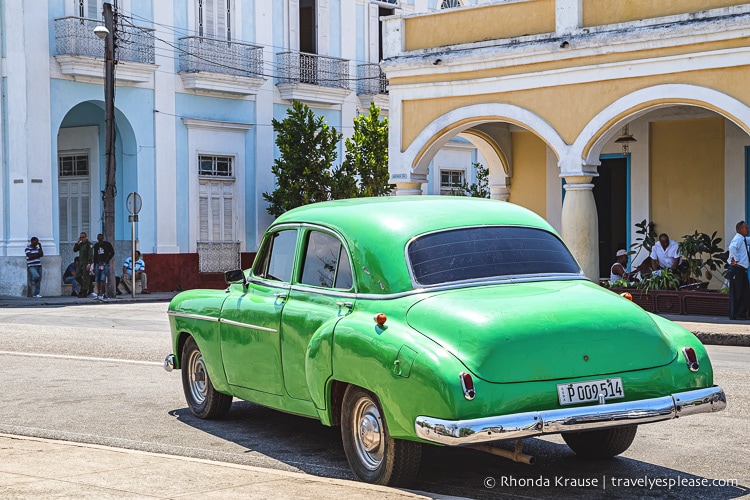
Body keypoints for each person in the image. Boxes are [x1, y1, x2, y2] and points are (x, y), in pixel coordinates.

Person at [727, 220, 750, 320]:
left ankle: (741, 313)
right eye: (746, 228)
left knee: (744, 292)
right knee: (737, 293)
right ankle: (735, 314)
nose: (748, 230)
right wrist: (736, 259)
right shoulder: (738, 239)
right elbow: (732, 248)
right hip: (737, 269)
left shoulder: (743, 239)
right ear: (740, 229)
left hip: (742, 270)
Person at [92, 233, 115, 300]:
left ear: (103, 238)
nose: (100, 239)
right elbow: (95, 256)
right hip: (98, 264)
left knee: (103, 278)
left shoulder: (107, 244)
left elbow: (112, 253)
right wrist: (94, 266)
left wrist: (107, 260)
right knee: (98, 279)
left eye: (101, 238)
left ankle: (102, 293)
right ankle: (99, 293)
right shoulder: (96, 245)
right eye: (98, 238)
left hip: (104, 264)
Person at [73, 232, 94, 298]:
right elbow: (75, 250)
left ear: (86, 237)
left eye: (83, 237)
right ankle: (88, 286)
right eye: (81, 237)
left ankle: (84, 292)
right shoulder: (81, 244)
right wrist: (77, 242)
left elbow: (90, 255)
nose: (82, 238)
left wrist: (89, 263)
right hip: (80, 263)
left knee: (85, 277)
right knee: (77, 276)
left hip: (86, 263)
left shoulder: (89, 244)